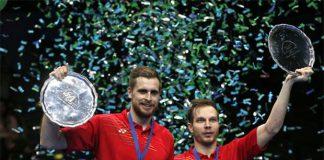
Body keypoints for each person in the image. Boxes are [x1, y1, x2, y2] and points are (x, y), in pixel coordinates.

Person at [40, 64, 174, 160]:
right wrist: (53, 98)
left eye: (154, 93)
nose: (148, 98)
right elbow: (50, 141)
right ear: (130, 92)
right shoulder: (103, 124)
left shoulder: (166, 137)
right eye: (142, 91)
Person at [175, 67, 313, 160]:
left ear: (218, 124)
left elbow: (272, 128)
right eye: (200, 120)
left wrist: (288, 83)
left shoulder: (235, 150)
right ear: (190, 127)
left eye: (212, 120)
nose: (207, 125)